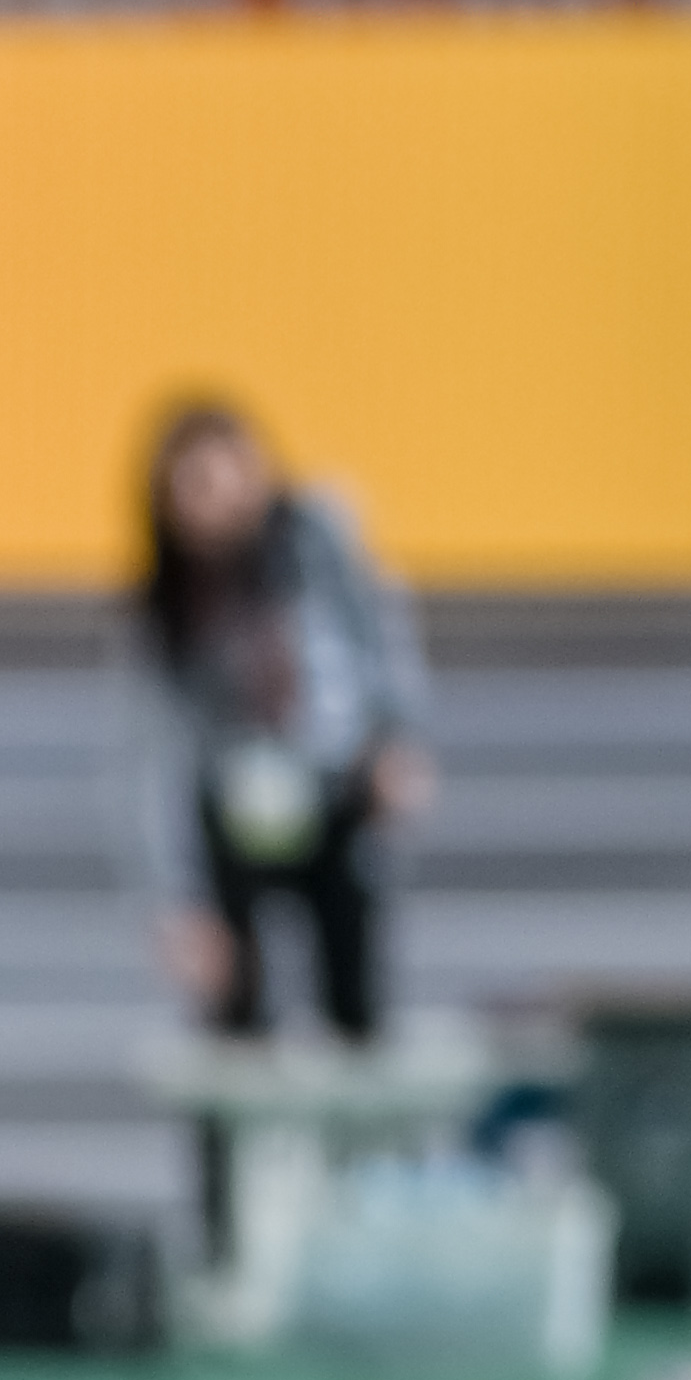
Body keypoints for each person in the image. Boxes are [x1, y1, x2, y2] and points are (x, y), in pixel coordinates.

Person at [133, 399, 434, 1044]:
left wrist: (397, 739)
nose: (220, 505)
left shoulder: (315, 541)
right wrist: (179, 902)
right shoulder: (171, 607)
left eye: (229, 478)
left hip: (337, 784)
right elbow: (154, 757)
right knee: (235, 1005)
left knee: (355, 998)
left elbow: (380, 639)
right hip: (238, 810)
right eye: (197, 489)